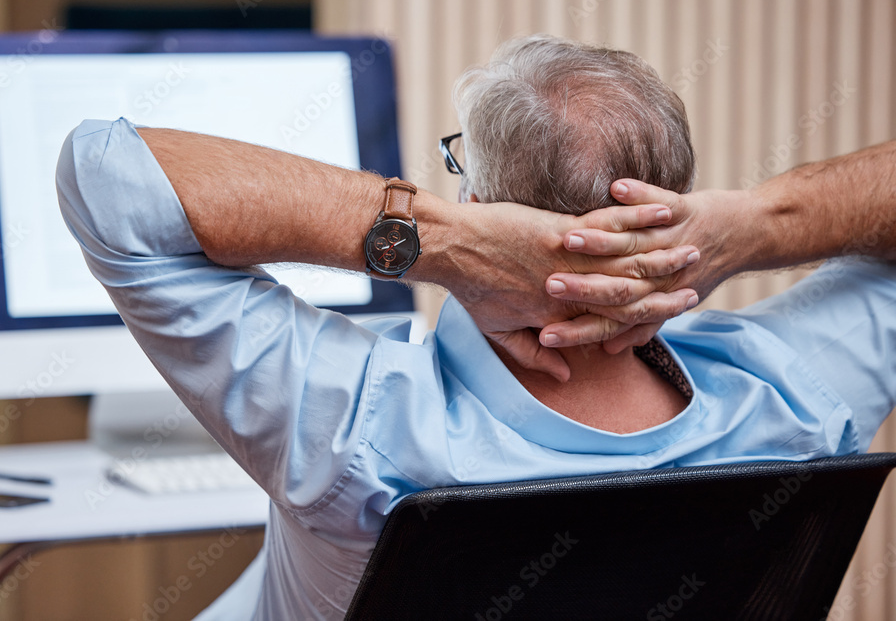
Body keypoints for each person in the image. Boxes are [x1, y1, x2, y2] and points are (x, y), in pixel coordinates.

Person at [56, 35, 896, 620]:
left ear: (484, 210)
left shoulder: (358, 428)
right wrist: (759, 221)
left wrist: (445, 246)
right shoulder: (795, 403)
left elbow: (106, 175)